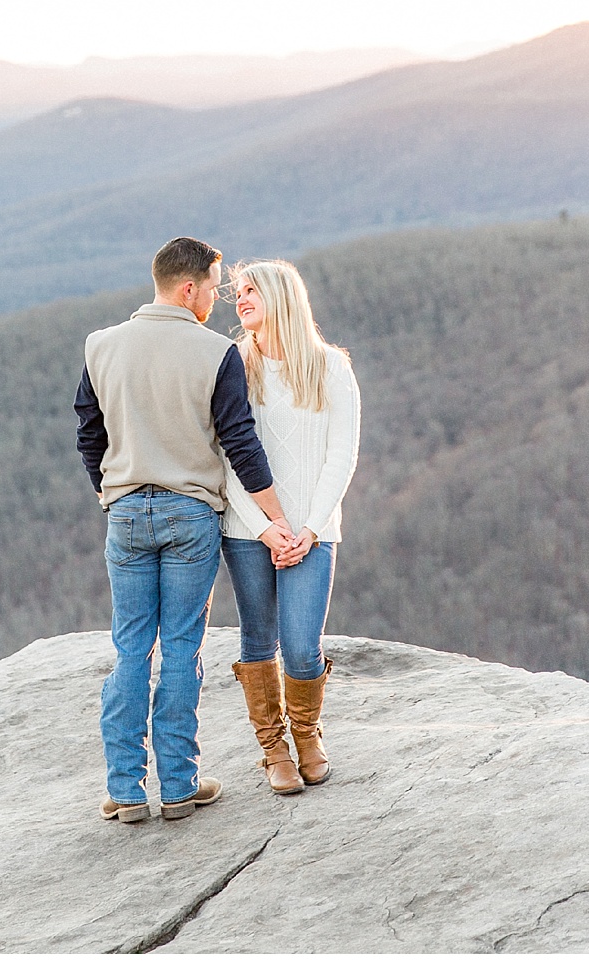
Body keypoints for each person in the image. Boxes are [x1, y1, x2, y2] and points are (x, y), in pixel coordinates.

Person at [76, 237, 296, 823]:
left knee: (129, 649)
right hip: (190, 516)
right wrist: (279, 520)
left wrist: (112, 492)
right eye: (214, 289)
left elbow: (89, 436)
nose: (217, 303)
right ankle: (178, 785)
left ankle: (125, 790)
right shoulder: (214, 353)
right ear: (189, 288)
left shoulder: (101, 346)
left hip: (124, 512)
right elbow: (240, 444)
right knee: (180, 647)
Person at [219, 259, 361, 796]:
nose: (241, 299)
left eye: (251, 290)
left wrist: (307, 528)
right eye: (237, 291)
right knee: (259, 638)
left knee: (302, 647)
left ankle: (307, 733)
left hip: (314, 530)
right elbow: (225, 456)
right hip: (248, 530)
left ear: (282, 296)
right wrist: (264, 528)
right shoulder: (236, 365)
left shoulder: (330, 367)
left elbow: (341, 456)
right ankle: (273, 747)